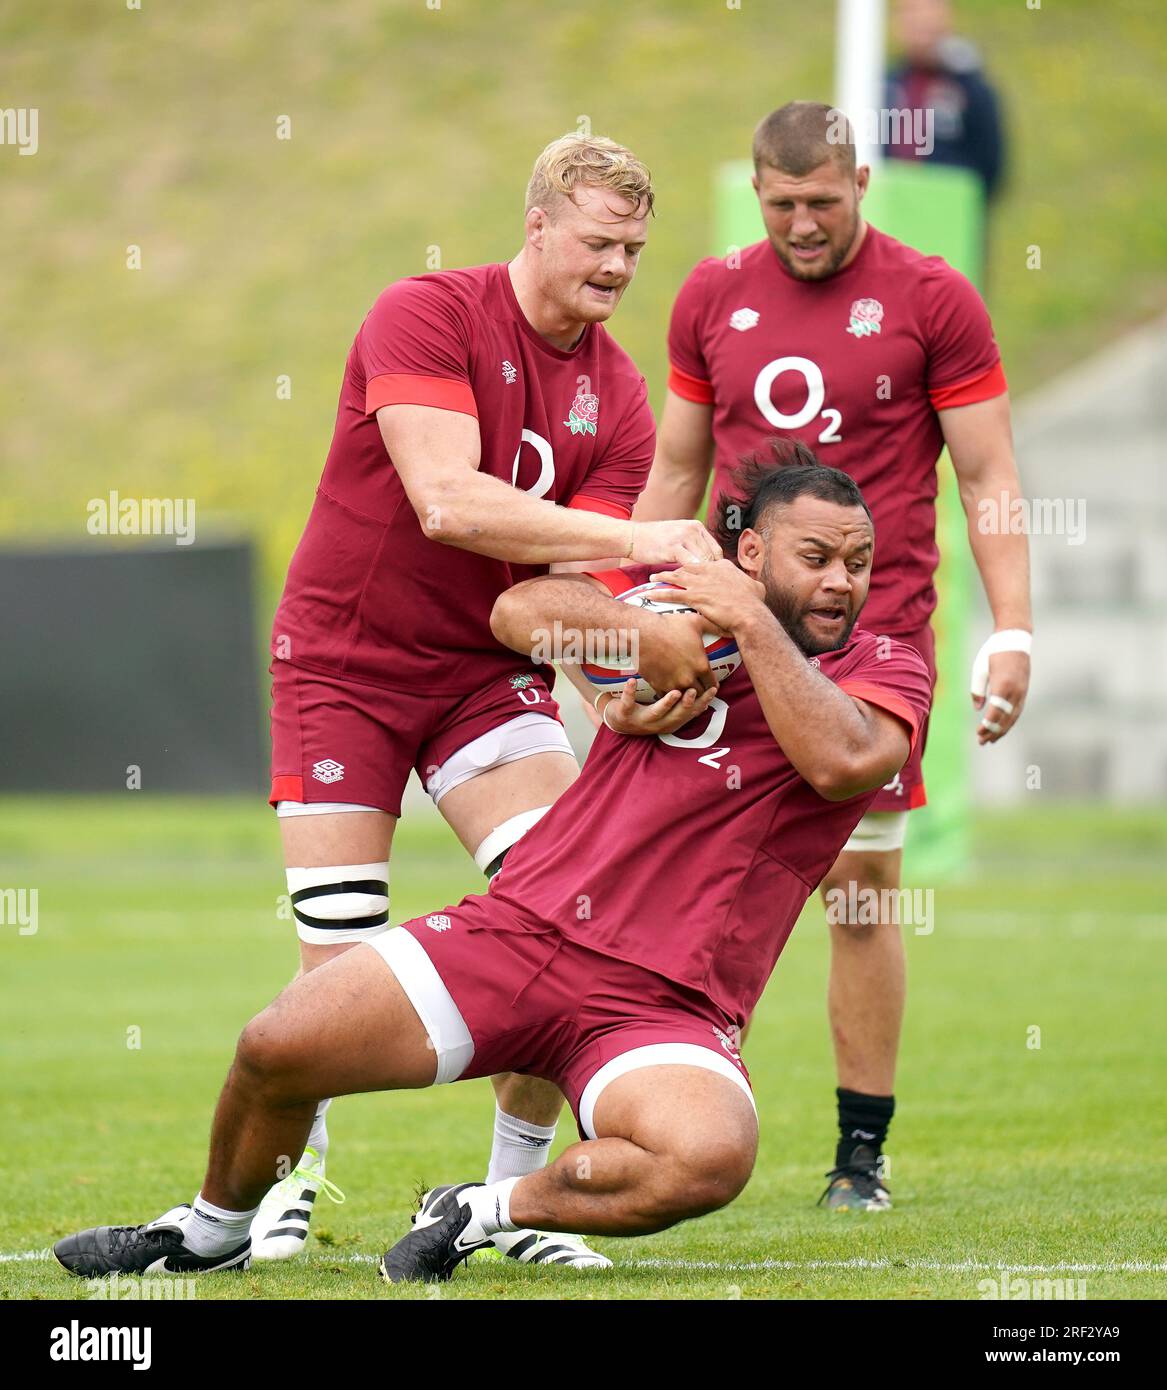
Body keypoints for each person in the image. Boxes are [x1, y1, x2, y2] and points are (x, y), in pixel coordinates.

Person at [53, 452, 932, 1285]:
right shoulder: (677, 613)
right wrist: (635, 649)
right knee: (277, 1047)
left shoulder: (885, 667)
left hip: (668, 1002)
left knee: (707, 1158)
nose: (840, 582)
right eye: (815, 557)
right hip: (521, 932)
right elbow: (519, 615)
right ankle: (211, 1235)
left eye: (857, 562)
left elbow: (842, 761)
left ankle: (488, 1210)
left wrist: (743, 617)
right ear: (749, 550)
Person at [255, 131, 719, 1268]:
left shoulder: (618, 396)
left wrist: (617, 677)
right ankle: (281, 1192)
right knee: (340, 952)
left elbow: (554, 599)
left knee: (570, 919)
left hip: (481, 675)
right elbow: (448, 504)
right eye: (600, 242)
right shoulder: (424, 312)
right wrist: (644, 535)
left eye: (635, 249)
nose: (618, 267)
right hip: (344, 663)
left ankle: (504, 1199)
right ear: (539, 226)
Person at [633, 101, 1031, 1209]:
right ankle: (644, 1105)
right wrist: (632, 608)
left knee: (859, 891)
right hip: (718, 628)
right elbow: (676, 468)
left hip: (872, 644)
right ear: (756, 192)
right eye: (781, 204)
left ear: (864, 180)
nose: (802, 224)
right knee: (660, 867)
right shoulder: (712, 292)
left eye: (822, 201)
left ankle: (861, 1155)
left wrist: (1013, 628)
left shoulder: (932, 295)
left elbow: (988, 475)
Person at [885, 0, 1007, 206]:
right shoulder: (885, 86)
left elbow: (990, 162)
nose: (921, 21)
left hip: (949, 213)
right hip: (893, 210)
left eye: (930, 11)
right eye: (912, 12)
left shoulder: (970, 88)